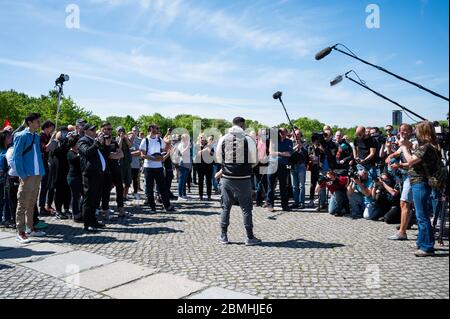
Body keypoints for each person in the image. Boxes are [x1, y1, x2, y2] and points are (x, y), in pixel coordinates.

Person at [215, 117, 261, 246]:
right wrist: (247, 168)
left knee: (225, 207)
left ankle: (223, 236)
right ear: (242, 125)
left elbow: (218, 158)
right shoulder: (247, 139)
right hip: (244, 178)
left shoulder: (223, 138)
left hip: (227, 177)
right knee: (246, 208)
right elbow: (255, 159)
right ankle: (250, 237)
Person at [400, 121, 441, 257]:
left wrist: (404, 147)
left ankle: (427, 246)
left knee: (422, 215)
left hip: (421, 182)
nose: (415, 132)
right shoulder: (429, 146)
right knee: (419, 214)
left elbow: (411, 160)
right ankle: (421, 241)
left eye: (417, 130)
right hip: (418, 181)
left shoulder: (426, 147)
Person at [12, 113, 47, 243]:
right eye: (37, 121)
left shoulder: (36, 137)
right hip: (27, 175)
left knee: (32, 203)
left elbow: (37, 154)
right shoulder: (20, 136)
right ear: (30, 122)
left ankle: (30, 228)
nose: (39, 123)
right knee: (22, 203)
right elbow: (17, 156)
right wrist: (22, 174)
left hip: (37, 174)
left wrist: (41, 171)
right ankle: (20, 231)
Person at [386, 124, 417, 240]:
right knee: (405, 203)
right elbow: (397, 152)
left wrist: (399, 164)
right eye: (400, 131)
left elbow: (411, 161)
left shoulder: (414, 143)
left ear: (411, 132)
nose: (401, 133)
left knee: (405, 203)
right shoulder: (404, 143)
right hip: (406, 176)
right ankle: (405, 225)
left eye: (404, 131)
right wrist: (390, 156)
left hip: (413, 176)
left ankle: (402, 232)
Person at [76, 123, 107, 231]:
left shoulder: (93, 141)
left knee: (96, 199)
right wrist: (97, 142)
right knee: (89, 199)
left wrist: (102, 143)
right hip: (90, 174)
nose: (94, 131)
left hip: (98, 174)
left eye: (94, 129)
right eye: (92, 129)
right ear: (85, 131)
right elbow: (87, 152)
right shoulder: (82, 140)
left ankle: (93, 220)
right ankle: (87, 222)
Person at [139, 124, 175, 213]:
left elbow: (164, 151)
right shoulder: (145, 140)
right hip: (148, 167)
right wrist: (154, 158)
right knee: (150, 188)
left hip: (159, 167)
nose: (158, 129)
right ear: (151, 129)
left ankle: (167, 206)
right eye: (156, 128)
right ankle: (152, 207)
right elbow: (142, 155)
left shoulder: (159, 139)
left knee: (163, 187)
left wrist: (169, 149)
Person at [266, 128, 293, 212]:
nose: (281, 133)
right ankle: (270, 205)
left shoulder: (289, 142)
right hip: (272, 165)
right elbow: (271, 152)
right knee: (271, 186)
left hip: (283, 166)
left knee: (283, 187)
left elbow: (289, 154)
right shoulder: (273, 140)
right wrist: (281, 153)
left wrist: (277, 152)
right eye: (280, 132)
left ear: (286, 133)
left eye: (283, 132)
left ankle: (285, 205)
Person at [48, 126, 71, 219]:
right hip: (57, 171)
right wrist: (65, 141)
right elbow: (57, 152)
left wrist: (70, 139)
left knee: (67, 191)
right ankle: (58, 210)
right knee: (59, 192)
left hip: (67, 170)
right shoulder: (54, 142)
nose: (65, 134)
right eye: (63, 132)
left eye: (66, 132)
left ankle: (66, 209)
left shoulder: (68, 142)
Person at [38, 120, 56, 216]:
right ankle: (41, 207)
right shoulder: (41, 136)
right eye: (51, 128)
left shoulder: (48, 136)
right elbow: (45, 148)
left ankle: (48, 205)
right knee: (44, 186)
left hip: (49, 162)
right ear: (46, 127)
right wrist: (52, 139)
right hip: (43, 163)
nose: (52, 130)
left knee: (49, 185)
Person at [290, 129, 309, 209]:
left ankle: (302, 202)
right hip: (293, 166)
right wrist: (295, 147)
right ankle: (296, 202)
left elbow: (307, 153)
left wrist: (301, 146)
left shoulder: (304, 143)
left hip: (301, 166)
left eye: (298, 134)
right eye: (295, 134)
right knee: (294, 186)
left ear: (300, 135)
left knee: (301, 186)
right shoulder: (290, 143)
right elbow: (289, 153)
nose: (296, 135)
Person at [67, 132, 83, 221]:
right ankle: (76, 214)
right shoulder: (70, 152)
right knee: (75, 196)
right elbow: (74, 160)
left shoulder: (77, 152)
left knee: (82, 195)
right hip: (73, 177)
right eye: (78, 143)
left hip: (79, 177)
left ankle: (80, 211)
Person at [194, 134, 214, 201]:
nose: (202, 141)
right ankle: (201, 195)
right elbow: (197, 154)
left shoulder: (209, 146)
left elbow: (212, 154)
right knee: (200, 180)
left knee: (208, 181)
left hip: (208, 165)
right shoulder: (197, 146)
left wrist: (209, 151)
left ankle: (209, 195)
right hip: (199, 166)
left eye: (204, 139)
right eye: (201, 139)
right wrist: (204, 150)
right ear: (199, 139)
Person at [116, 126, 133, 202]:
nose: (122, 132)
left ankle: (125, 196)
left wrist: (125, 138)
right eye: (120, 131)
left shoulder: (126, 139)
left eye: (123, 130)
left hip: (127, 162)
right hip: (120, 162)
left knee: (128, 180)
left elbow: (130, 146)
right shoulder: (116, 139)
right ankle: (120, 196)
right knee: (120, 180)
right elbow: (118, 148)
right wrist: (120, 139)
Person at [0, 130, 12, 227]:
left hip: (5, 178)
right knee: (3, 199)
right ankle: (3, 218)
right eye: (8, 137)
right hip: (3, 178)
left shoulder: (7, 148)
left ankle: (5, 218)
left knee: (5, 199)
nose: (10, 138)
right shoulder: (2, 151)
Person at [176, 134, 192, 200]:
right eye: (187, 138)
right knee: (181, 180)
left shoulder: (186, 145)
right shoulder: (181, 145)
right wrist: (187, 147)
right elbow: (182, 153)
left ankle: (184, 194)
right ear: (183, 139)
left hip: (187, 163)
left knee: (184, 180)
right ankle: (180, 195)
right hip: (182, 164)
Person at [129, 127, 142, 199]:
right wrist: (134, 153)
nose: (134, 132)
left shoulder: (140, 140)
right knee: (127, 179)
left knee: (135, 179)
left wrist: (130, 153)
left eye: (136, 131)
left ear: (138, 131)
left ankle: (135, 192)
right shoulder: (128, 139)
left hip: (136, 163)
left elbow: (140, 152)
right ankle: (127, 193)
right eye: (133, 131)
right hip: (128, 163)